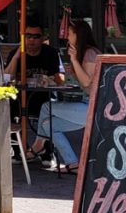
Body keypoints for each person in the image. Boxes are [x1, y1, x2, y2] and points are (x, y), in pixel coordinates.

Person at [34, 20, 98, 171]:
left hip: (91, 107)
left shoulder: (90, 53)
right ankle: (72, 163)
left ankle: (38, 145)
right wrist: (74, 70)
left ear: (78, 35)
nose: (67, 37)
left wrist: (75, 61)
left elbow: (87, 83)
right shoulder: (87, 53)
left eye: (69, 34)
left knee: (46, 107)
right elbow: (85, 83)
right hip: (86, 104)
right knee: (48, 125)